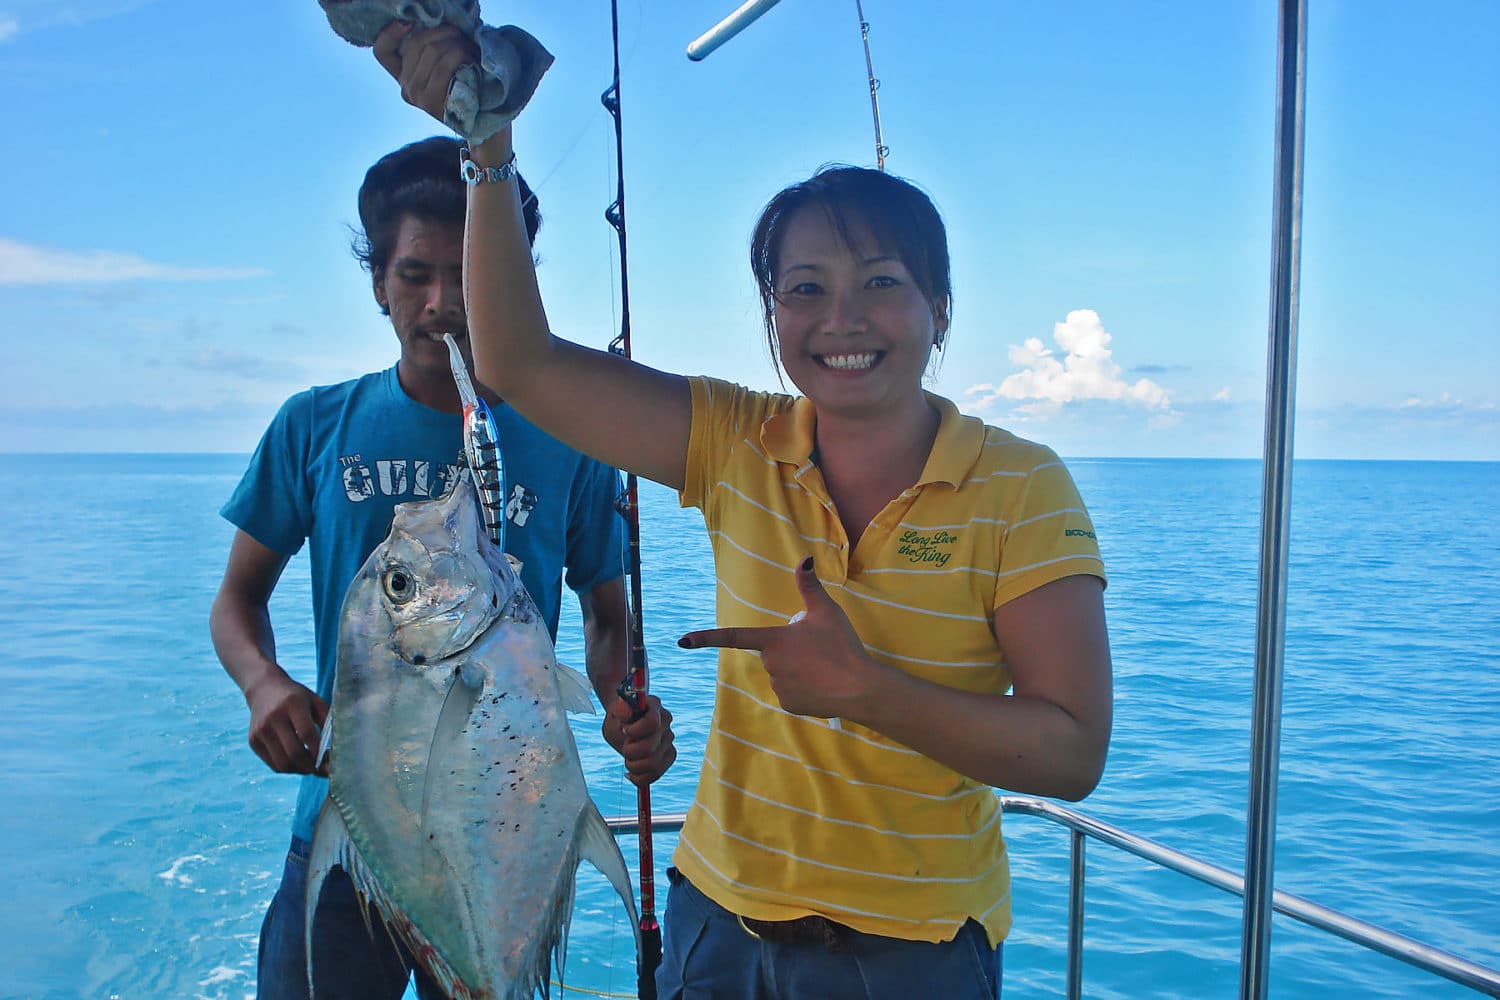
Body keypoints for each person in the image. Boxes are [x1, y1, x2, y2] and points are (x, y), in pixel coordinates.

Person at [377, 23, 1112, 999]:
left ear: (939, 304)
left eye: (881, 284)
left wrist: (865, 689)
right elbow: (520, 363)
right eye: (804, 289)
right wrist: (488, 149)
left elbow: (1071, 750)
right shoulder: (734, 438)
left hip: (916, 953)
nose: (840, 318)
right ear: (772, 313)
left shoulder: (1022, 486)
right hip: (717, 928)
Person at [209, 134, 677, 1000]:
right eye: (414, 275)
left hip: (504, 823)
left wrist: (622, 708)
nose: (441, 303)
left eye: (467, 275)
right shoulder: (315, 425)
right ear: (378, 284)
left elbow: (607, 612)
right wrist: (261, 684)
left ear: (513, 277)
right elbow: (237, 602)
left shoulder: (572, 433)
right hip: (352, 828)